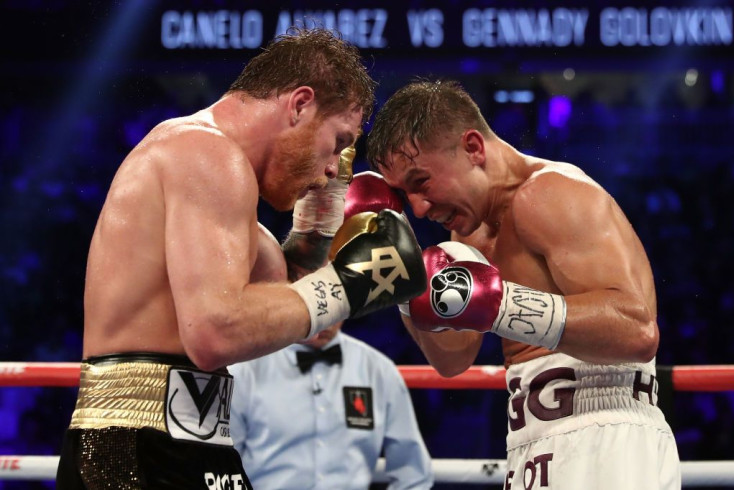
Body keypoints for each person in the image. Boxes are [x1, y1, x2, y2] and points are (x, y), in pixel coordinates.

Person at [55, 28, 427, 489]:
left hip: (190, 444)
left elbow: (296, 311)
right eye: (337, 142)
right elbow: (215, 330)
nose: (335, 167)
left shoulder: (232, 205)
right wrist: (357, 281)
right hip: (136, 449)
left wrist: (318, 227)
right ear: (299, 105)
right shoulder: (206, 152)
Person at [365, 79, 681, 489]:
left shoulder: (549, 194)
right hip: (531, 441)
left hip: (606, 433)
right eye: (407, 196)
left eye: (421, 182)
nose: (420, 210)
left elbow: (636, 332)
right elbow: (452, 361)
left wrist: (500, 306)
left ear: (474, 148)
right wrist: (404, 277)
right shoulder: (467, 235)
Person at [228, 319, 434, 490]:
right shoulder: (246, 369)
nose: (324, 315)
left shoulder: (378, 371)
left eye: (333, 303)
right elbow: (222, 466)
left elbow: (413, 473)